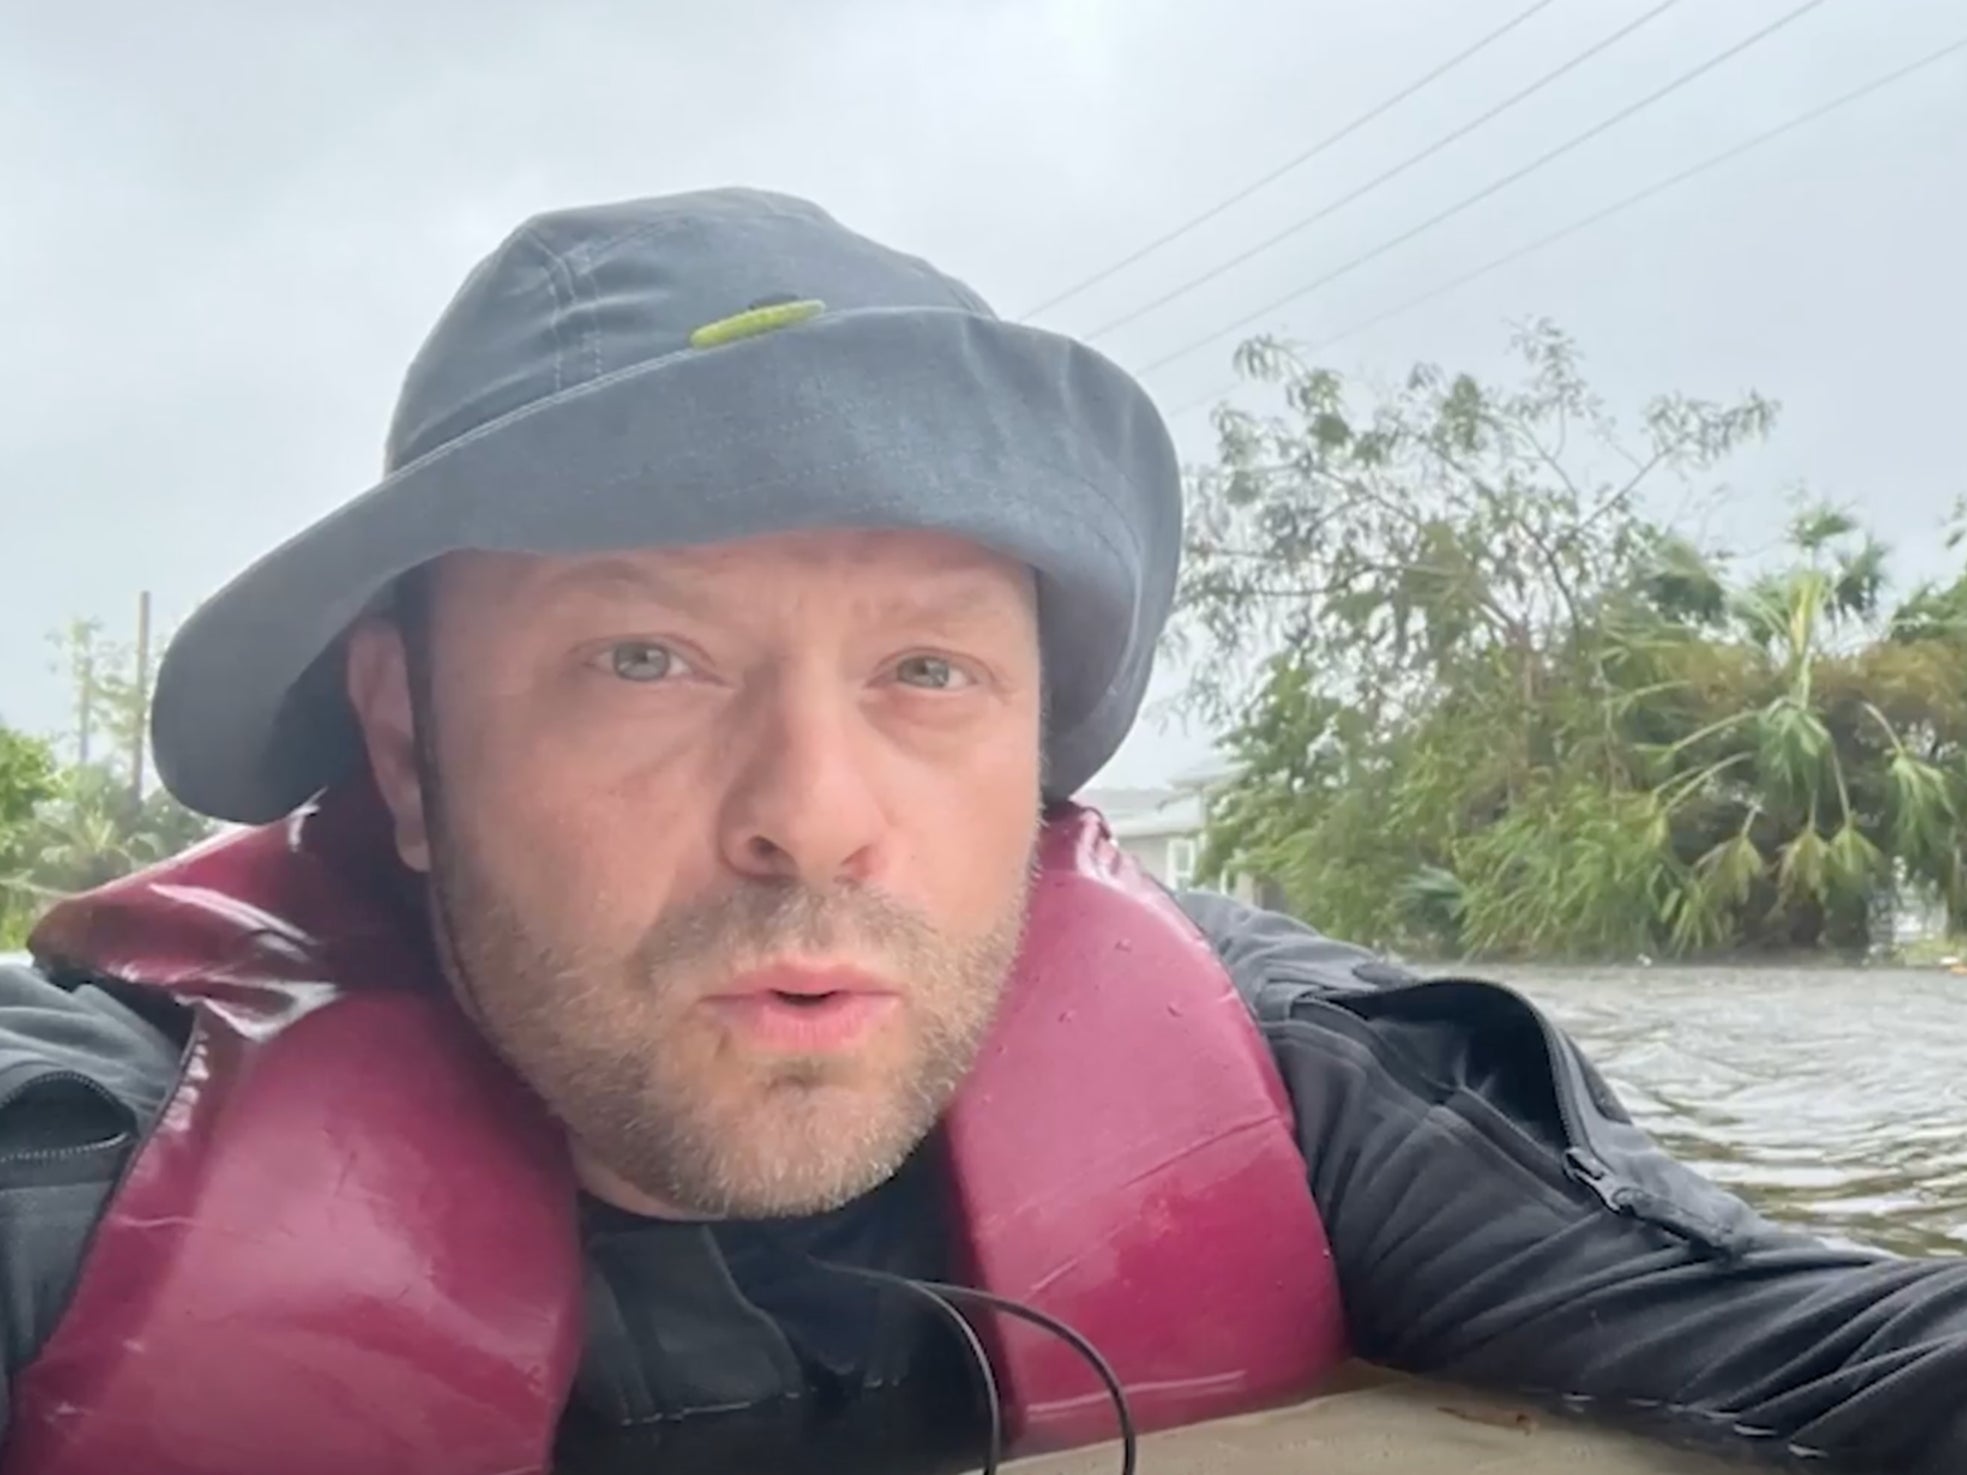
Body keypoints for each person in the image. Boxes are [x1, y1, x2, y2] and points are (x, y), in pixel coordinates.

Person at [1, 188, 1962, 1475]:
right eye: (646, 657)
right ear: (410, 755)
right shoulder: (76, 1157)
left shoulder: (1293, 1080)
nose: (814, 821)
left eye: (928, 676)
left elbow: (1843, 1352)